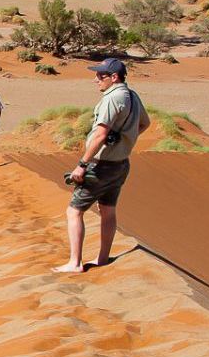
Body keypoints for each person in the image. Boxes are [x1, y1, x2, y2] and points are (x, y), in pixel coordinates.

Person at [55, 58, 152, 274]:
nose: (95, 79)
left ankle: (75, 262)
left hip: (101, 165)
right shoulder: (133, 96)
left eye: (100, 76)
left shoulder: (113, 98)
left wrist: (82, 165)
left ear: (114, 77)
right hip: (120, 164)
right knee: (108, 210)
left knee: (74, 211)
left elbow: (100, 134)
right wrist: (125, 140)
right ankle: (102, 258)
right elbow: (145, 123)